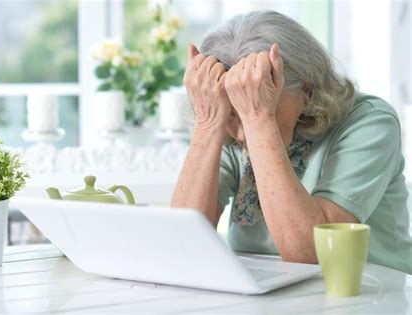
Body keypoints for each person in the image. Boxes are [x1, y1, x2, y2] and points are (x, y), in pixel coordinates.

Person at [171, 10, 411, 274]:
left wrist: (259, 119)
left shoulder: (371, 122)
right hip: (266, 291)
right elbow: (182, 243)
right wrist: (208, 122)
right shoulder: (227, 125)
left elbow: (313, 254)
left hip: (374, 294)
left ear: (307, 90)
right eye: (232, 114)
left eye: (260, 103)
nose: (241, 135)